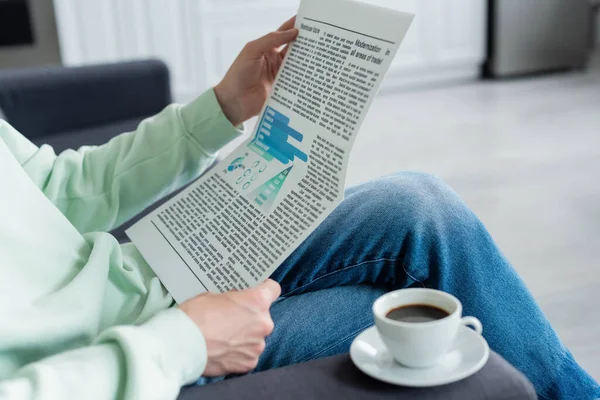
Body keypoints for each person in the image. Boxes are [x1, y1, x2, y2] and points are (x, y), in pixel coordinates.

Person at [0, 17, 597, 400]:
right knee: (389, 322)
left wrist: (220, 109)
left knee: (421, 205)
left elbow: (52, 188)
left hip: (146, 275)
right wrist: (179, 345)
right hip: (129, 359)